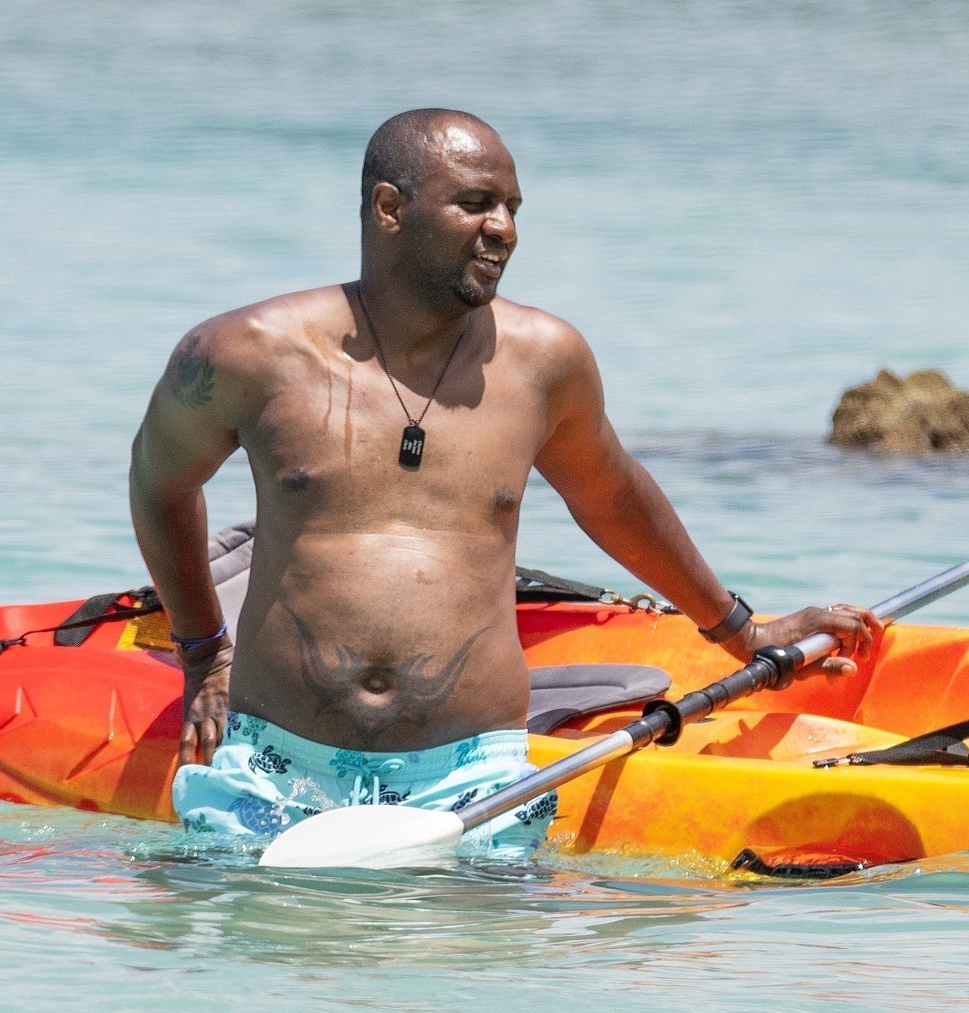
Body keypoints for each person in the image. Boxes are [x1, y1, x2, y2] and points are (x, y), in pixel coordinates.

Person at [129, 108, 882, 857]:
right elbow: (159, 483)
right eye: (476, 203)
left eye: (513, 208)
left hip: (473, 774)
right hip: (277, 762)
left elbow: (611, 497)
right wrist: (204, 655)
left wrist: (742, 630)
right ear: (390, 208)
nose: (505, 229)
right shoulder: (247, 353)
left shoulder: (544, 362)